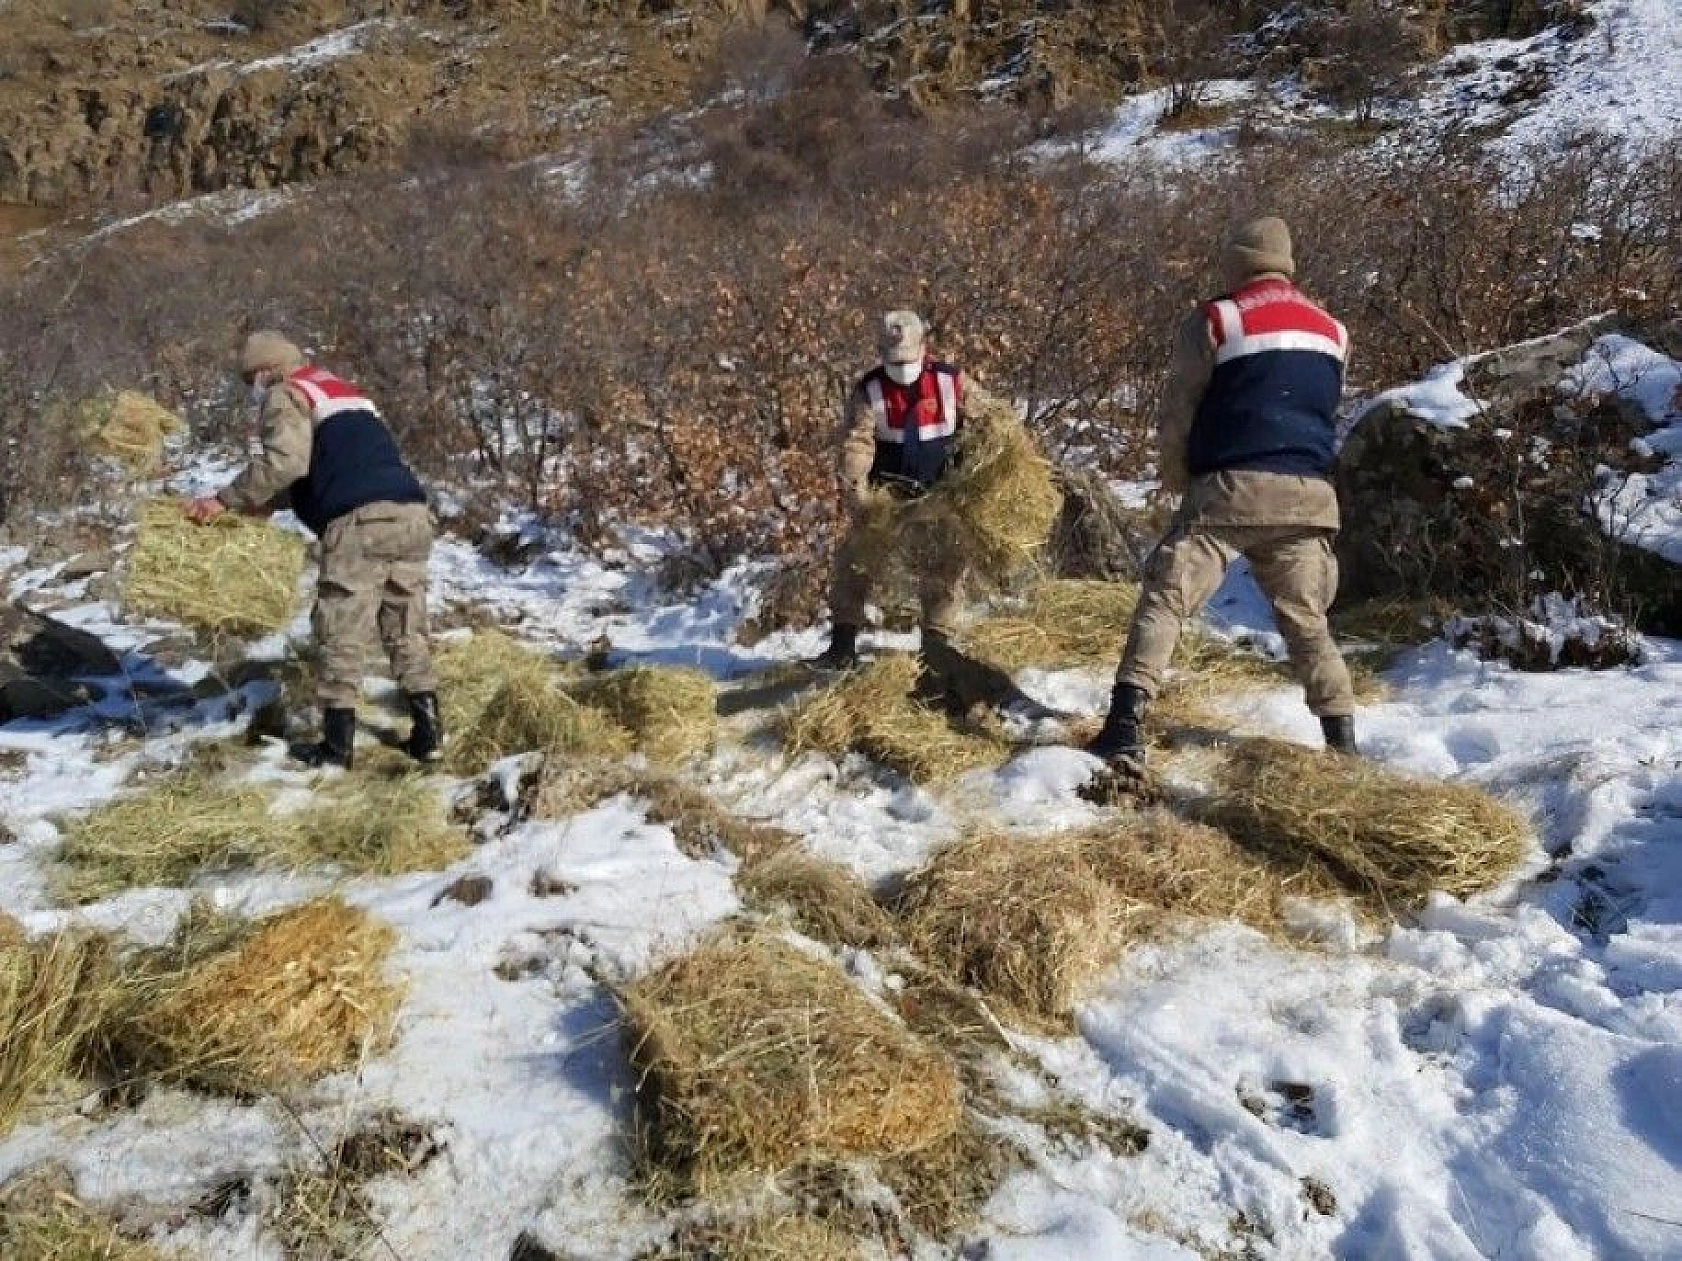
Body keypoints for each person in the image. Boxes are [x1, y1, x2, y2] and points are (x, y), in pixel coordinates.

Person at [1088, 217, 1359, 766]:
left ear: (1236, 262)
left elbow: (1180, 408)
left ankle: (1124, 726)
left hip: (1230, 491)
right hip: (1309, 495)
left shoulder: (1219, 318)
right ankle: (1344, 745)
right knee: (1309, 624)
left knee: (1167, 598)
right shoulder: (1333, 330)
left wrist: (1177, 477)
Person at [184, 331, 442, 770]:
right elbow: (338, 465)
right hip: (412, 514)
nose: (253, 390)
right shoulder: (344, 392)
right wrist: (268, 502)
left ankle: (336, 749)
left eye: (251, 380)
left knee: (340, 628)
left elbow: (286, 462)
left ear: (267, 370)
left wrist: (224, 500)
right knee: (405, 625)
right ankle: (428, 735)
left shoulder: (286, 393)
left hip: (359, 523)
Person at [809, 310, 990, 672]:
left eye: (907, 360)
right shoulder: (869, 389)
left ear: (923, 346)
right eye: (894, 361)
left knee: (943, 571)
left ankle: (937, 649)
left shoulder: (952, 382)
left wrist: (979, 472)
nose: (902, 369)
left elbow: (990, 423)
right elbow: (857, 443)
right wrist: (857, 490)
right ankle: (842, 644)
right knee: (853, 562)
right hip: (886, 494)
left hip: (940, 492)